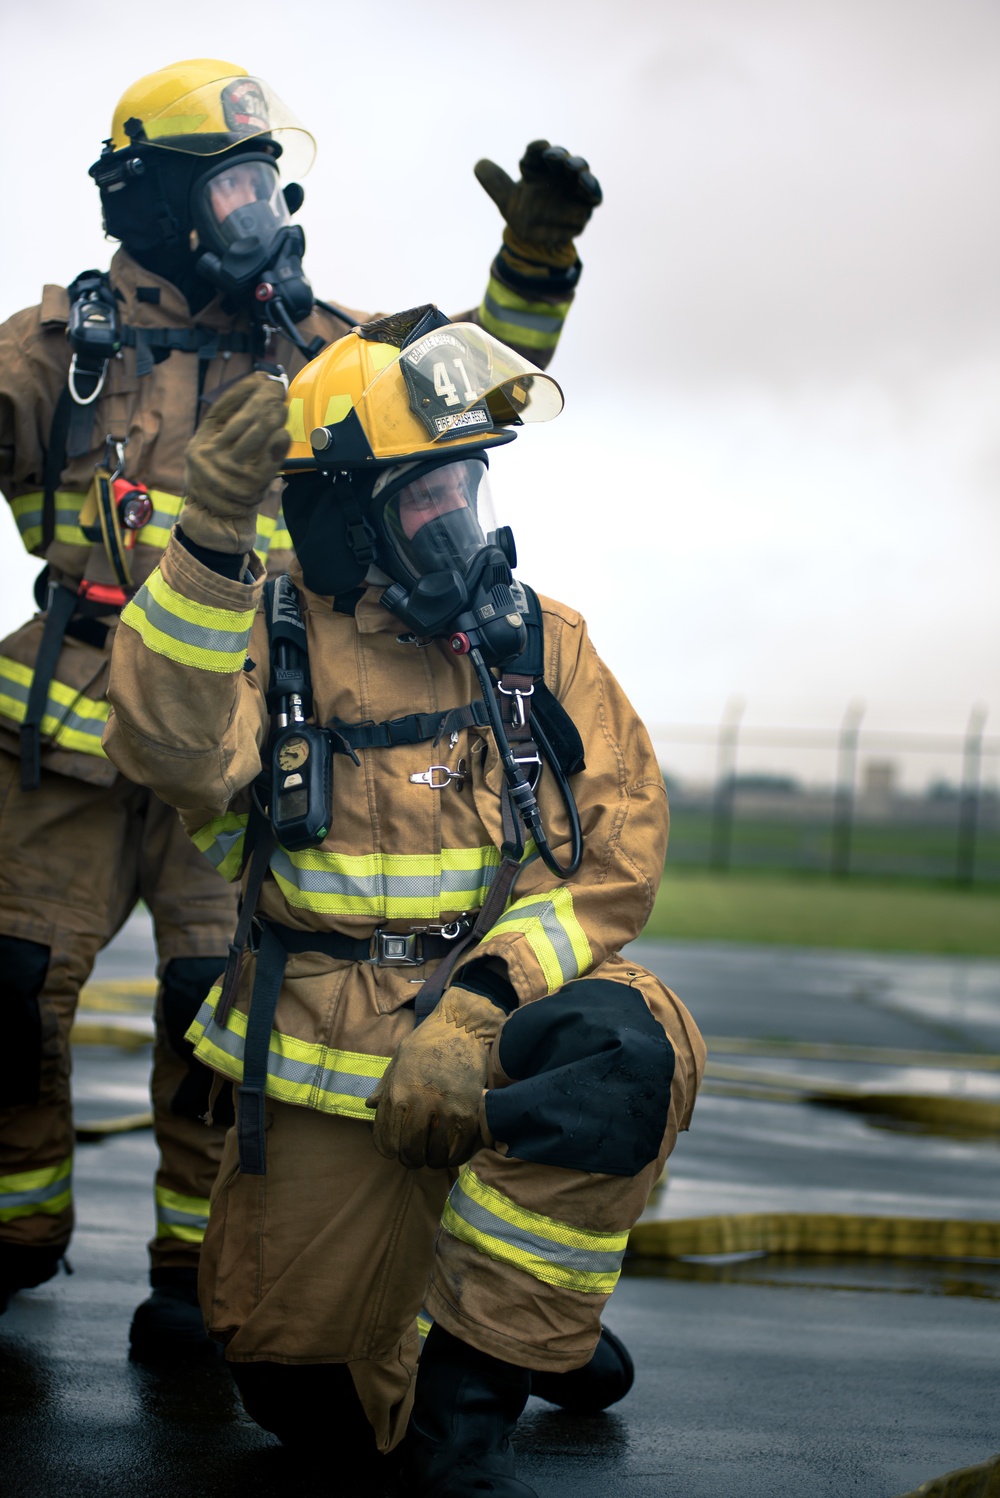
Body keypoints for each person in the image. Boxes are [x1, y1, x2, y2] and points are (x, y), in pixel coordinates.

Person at [0, 55, 602, 1358]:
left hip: (246, 733)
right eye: (228, 187)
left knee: (219, 1005)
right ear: (149, 201)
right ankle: (10, 1227)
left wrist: (535, 264)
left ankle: (190, 1265)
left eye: (267, 182)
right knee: (6, 992)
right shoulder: (63, 350)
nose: (258, 212)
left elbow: (482, 379)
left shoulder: (330, 348)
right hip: (62, 738)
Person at [102, 310, 706, 1495]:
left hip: (488, 1032)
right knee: (300, 1392)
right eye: (421, 502)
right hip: (327, 1056)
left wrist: (484, 1000)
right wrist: (210, 542)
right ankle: (482, 1319)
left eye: (463, 493)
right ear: (341, 517)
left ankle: (488, 1380)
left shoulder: (539, 643)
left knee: (621, 1050)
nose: (458, 529)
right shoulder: (266, 638)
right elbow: (170, 749)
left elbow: (613, 859)